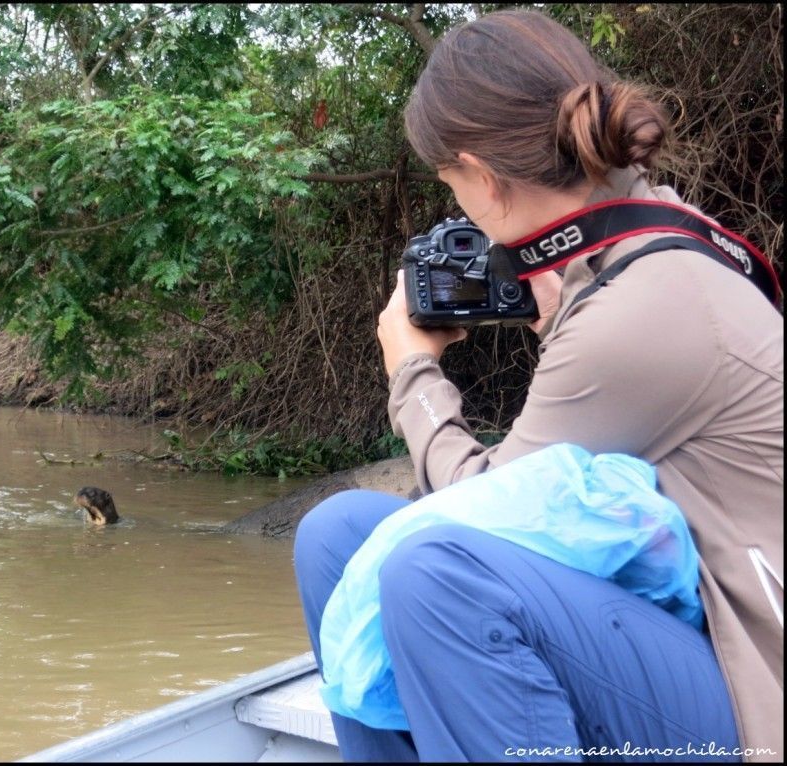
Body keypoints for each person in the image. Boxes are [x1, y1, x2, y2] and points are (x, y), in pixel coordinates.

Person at [293, 9, 783, 763]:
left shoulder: (646, 299)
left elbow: (481, 511)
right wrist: (562, 319)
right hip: (686, 626)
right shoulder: (645, 242)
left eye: (453, 186)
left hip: (755, 690)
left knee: (437, 574)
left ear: (482, 178)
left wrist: (413, 373)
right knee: (337, 535)